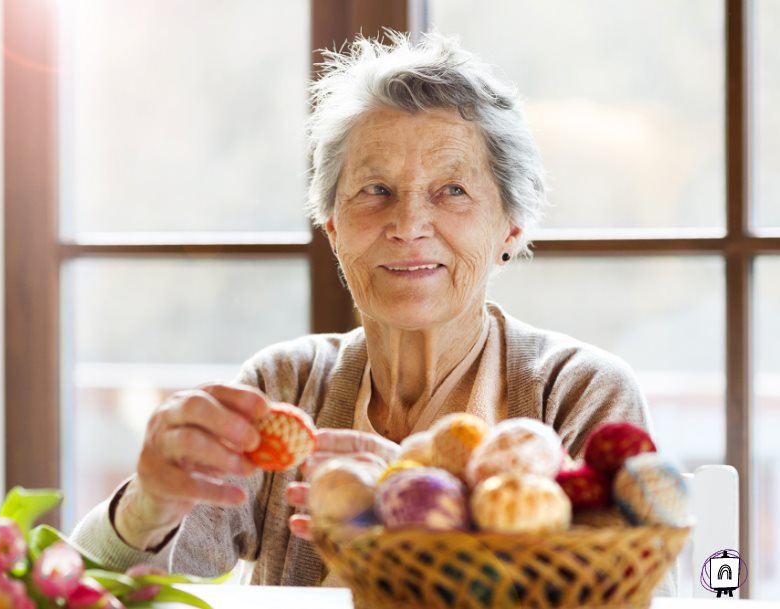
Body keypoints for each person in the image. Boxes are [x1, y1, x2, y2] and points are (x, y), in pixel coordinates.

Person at [71, 31, 654, 587]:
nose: (407, 226)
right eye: (375, 191)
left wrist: (428, 508)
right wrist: (146, 507)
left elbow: (634, 592)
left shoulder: (578, 392)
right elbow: (94, 590)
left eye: (452, 190)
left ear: (511, 226)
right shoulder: (285, 385)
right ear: (332, 227)